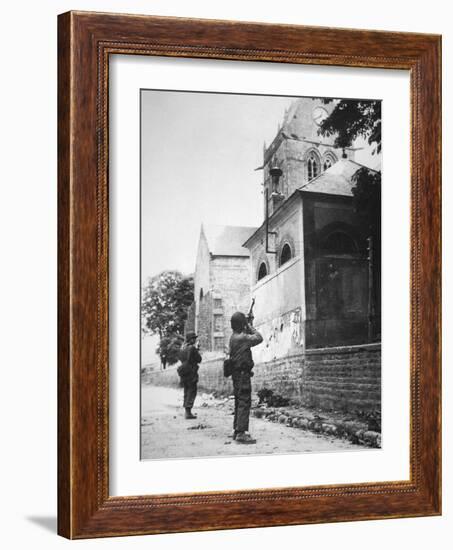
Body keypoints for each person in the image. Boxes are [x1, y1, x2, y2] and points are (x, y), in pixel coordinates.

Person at [229, 311, 263, 444]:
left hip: (237, 374)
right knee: (244, 400)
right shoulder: (241, 338)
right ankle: (241, 433)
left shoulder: (233, 337)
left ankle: (237, 429)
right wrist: (249, 325)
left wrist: (245, 323)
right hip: (243, 374)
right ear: (241, 324)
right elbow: (259, 338)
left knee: (239, 400)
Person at [178, 332, 202, 419]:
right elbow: (199, 359)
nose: (195, 340)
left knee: (186, 391)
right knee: (192, 391)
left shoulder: (182, 348)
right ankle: (188, 412)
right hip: (191, 372)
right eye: (194, 338)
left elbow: (181, 358)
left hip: (184, 373)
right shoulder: (192, 348)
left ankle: (186, 411)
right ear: (191, 339)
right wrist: (197, 349)